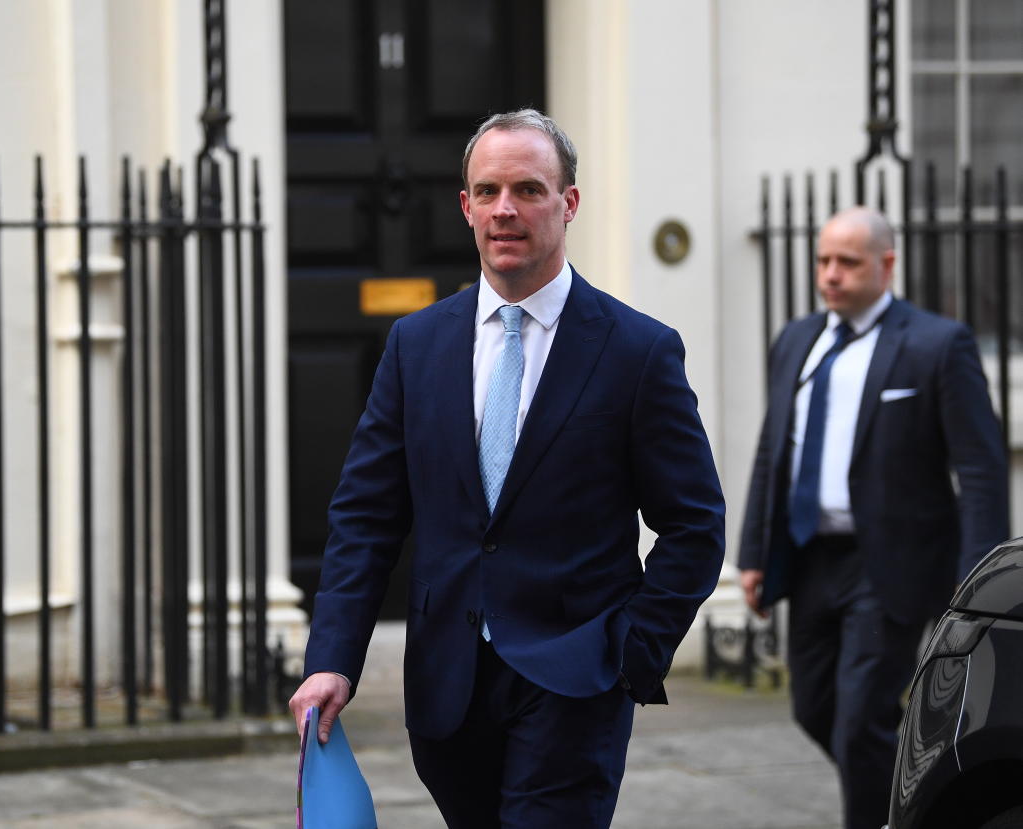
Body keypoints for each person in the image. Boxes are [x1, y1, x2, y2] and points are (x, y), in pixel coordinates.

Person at [288, 108, 726, 828]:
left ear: (568, 202)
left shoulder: (637, 352)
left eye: (527, 189)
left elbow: (695, 524)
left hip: (576, 680)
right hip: (446, 690)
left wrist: (631, 650)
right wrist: (332, 657)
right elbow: (365, 517)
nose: (505, 210)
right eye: (487, 192)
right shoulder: (415, 345)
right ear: (465, 207)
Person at [739, 206, 1009, 829]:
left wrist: (978, 582)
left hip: (889, 565)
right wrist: (753, 554)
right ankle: (924, 802)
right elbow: (772, 450)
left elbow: (981, 469)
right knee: (815, 711)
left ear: (887, 265)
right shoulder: (797, 340)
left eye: (848, 263)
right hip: (811, 559)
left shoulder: (938, 345)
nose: (830, 275)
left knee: (862, 722)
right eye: (823, 261)